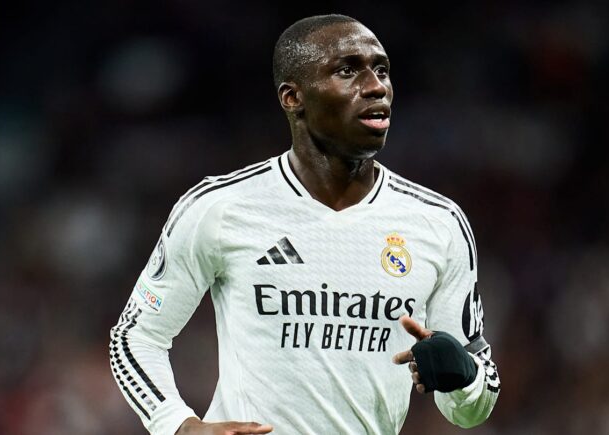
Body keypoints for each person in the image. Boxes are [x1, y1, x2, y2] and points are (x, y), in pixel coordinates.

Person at [109, 14, 500, 435]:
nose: (376, 87)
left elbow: (471, 407)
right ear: (293, 97)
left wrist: (463, 378)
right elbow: (135, 337)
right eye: (348, 71)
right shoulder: (220, 207)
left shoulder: (437, 223)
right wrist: (179, 425)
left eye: (382, 70)